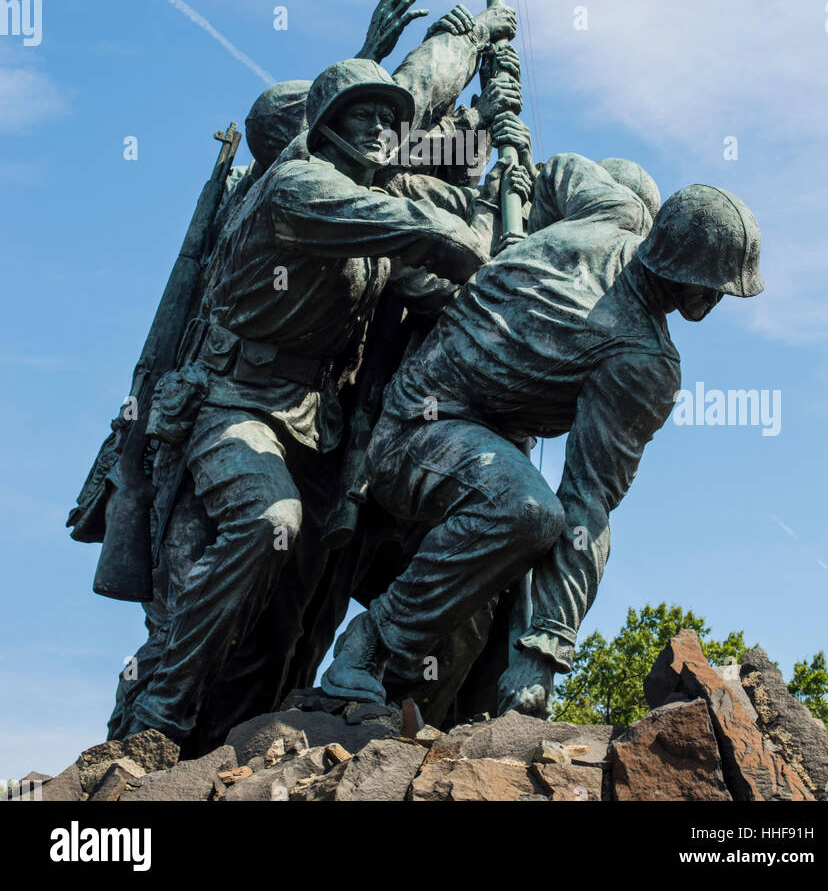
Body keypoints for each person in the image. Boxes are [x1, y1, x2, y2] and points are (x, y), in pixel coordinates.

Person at [122, 56, 502, 741]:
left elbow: (441, 289)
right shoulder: (300, 188)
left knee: (295, 612)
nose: (384, 128)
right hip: (237, 405)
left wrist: (506, 208)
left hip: (317, 429)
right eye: (367, 114)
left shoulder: (370, 219)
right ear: (327, 125)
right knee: (268, 520)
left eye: (393, 118)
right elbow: (427, 235)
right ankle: (161, 710)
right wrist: (470, 236)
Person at [320, 162, 764, 715]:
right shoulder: (641, 362)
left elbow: (543, 173)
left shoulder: (611, 210)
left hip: (474, 437)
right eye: (713, 284)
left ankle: (421, 707)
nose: (718, 299)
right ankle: (369, 646)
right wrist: (545, 653)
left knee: (505, 568)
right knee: (526, 511)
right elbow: (587, 504)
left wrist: (544, 642)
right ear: (680, 269)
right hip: (417, 430)